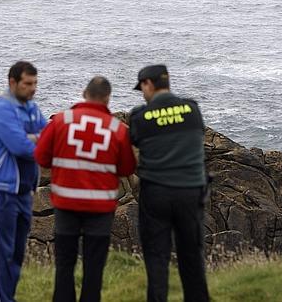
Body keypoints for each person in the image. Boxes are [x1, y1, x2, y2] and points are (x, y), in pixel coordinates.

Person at [34, 76, 137, 302]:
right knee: (94, 266)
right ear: (107, 98)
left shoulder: (60, 121)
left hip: (66, 204)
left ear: (84, 93)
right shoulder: (117, 130)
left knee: (64, 264)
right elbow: (127, 167)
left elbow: (41, 157)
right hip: (100, 209)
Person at [129, 64, 210, 302]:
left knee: (157, 258)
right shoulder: (193, 109)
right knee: (192, 257)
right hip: (190, 191)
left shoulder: (140, 116)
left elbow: (132, 144)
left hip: (156, 193)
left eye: (142, 88)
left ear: (148, 84)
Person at [0, 61, 47, 302]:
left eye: (35, 83)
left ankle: (8, 297)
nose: (33, 89)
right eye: (28, 84)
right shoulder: (2, 108)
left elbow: (47, 136)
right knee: (0, 254)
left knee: (17, 254)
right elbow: (20, 147)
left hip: (24, 192)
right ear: (13, 82)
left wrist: (33, 137)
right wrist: (34, 139)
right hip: (0, 190)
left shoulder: (31, 108)